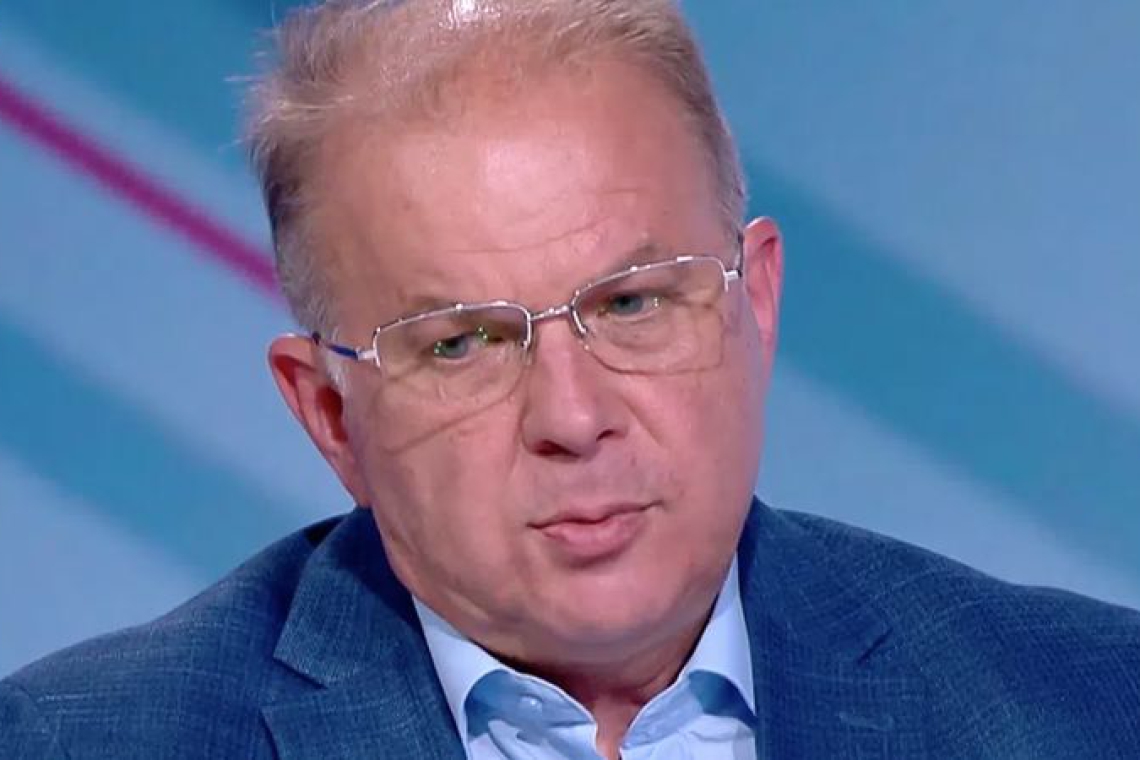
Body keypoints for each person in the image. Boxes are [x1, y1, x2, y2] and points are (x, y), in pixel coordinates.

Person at [3, 0, 1139, 757]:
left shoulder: (1092, 708)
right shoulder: (78, 742)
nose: (574, 416)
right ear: (330, 415)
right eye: (460, 343)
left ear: (755, 300)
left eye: (632, 303)